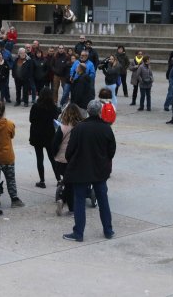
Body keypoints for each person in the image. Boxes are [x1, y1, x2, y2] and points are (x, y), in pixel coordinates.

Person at [62, 100, 116, 242]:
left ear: (87, 110)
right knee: (103, 200)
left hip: (81, 171)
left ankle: (78, 233)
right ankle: (108, 230)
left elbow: (69, 152)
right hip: (99, 171)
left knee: (79, 201)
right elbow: (112, 151)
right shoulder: (106, 128)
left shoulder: (79, 128)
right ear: (100, 112)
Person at [0, 101, 25, 208]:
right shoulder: (10, 124)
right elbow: (12, 135)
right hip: (7, 156)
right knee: (11, 179)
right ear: (3, 111)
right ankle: (14, 199)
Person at [52, 103, 84, 216]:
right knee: (71, 184)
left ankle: (62, 199)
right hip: (76, 160)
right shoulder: (82, 127)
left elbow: (55, 144)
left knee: (68, 182)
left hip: (61, 160)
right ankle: (71, 207)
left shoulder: (62, 128)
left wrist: (55, 156)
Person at [30, 87, 60, 188]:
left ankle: (42, 181)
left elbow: (31, 119)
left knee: (40, 158)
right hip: (49, 135)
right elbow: (56, 118)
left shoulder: (35, 106)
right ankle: (59, 179)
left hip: (37, 135)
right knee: (52, 158)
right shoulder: (53, 107)